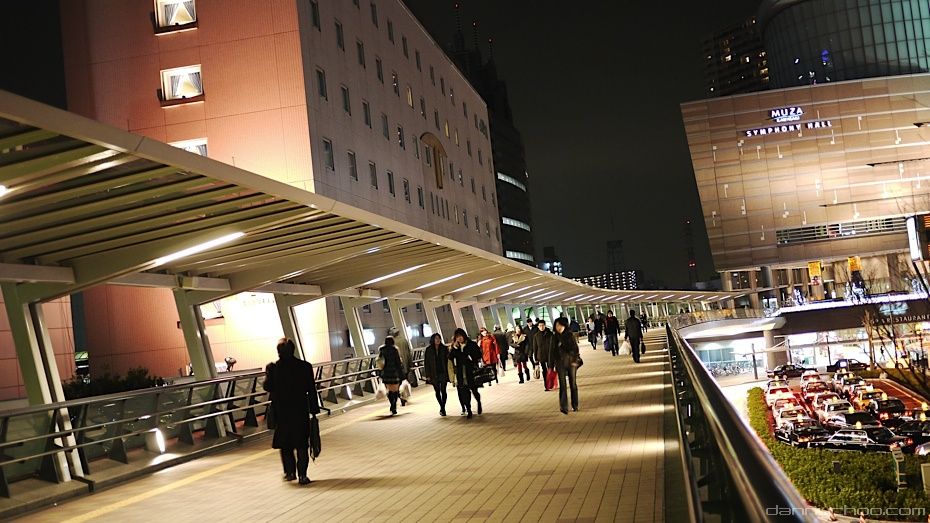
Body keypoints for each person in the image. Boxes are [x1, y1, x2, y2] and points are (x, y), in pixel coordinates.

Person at [263, 338, 319, 486]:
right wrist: (314, 409)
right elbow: (311, 389)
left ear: (279, 352)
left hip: (282, 411)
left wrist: (268, 373)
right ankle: (302, 475)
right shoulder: (304, 367)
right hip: (300, 410)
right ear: (293, 350)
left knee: (285, 444)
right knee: (302, 444)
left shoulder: (274, 368)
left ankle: (290, 473)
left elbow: (268, 387)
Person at [449, 328, 483, 418]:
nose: (459, 338)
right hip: (461, 372)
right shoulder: (455, 347)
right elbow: (450, 357)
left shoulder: (471, 344)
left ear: (464, 336)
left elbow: (479, 354)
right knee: (464, 392)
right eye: (457, 337)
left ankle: (478, 402)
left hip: (471, 371)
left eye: (460, 336)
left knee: (474, 390)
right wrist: (454, 348)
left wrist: (471, 357)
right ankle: (469, 410)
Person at [553, 317, 581, 414]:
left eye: (560, 325)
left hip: (571, 363)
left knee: (573, 384)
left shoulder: (570, 335)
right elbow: (552, 351)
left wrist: (575, 360)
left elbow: (575, 349)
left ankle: (575, 405)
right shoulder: (554, 337)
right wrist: (551, 365)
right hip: (560, 363)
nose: (558, 327)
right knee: (562, 385)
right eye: (557, 325)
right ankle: (563, 407)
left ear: (564, 326)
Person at [423, 333, 450, 416]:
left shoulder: (444, 348)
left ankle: (443, 408)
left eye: (439, 338)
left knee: (443, 390)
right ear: (433, 340)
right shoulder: (429, 350)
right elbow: (426, 363)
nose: (438, 340)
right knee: (437, 391)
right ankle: (441, 406)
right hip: (433, 373)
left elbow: (448, 361)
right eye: (436, 338)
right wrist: (427, 375)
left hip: (443, 372)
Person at [378, 337, 405, 415]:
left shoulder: (382, 350)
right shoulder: (395, 349)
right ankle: (394, 405)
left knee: (389, 390)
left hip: (386, 373)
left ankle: (392, 404)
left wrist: (380, 372)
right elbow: (398, 362)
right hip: (394, 372)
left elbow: (379, 361)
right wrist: (401, 373)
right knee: (395, 390)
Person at [388, 327, 412, 406]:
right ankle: (404, 396)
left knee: (396, 384)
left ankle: (400, 397)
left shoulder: (391, 343)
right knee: (404, 382)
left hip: (395, 368)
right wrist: (410, 364)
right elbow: (409, 353)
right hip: (405, 366)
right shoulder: (404, 341)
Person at [531, 319, 555, 391]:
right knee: (544, 371)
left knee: (550, 369)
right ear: (538, 327)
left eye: (543, 325)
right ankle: (546, 385)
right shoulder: (536, 336)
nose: (541, 327)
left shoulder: (550, 334)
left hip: (550, 355)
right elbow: (535, 348)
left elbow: (554, 345)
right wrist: (536, 359)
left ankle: (551, 383)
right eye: (540, 326)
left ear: (545, 325)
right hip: (541, 356)